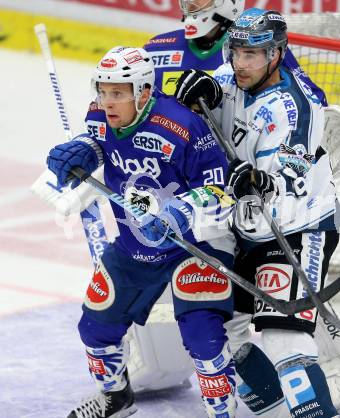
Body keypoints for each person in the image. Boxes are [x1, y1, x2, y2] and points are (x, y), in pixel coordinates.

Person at [46, 46, 238, 418]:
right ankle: (116, 400)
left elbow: (221, 189)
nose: (106, 102)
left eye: (117, 92)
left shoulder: (184, 125)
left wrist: (179, 212)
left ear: (144, 92)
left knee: (203, 336)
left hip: (193, 246)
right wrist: (82, 150)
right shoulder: (99, 116)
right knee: (94, 327)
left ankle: (222, 413)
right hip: (135, 245)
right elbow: (100, 143)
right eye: (102, 91)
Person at [175, 8, 340, 418]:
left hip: (296, 227)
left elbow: (287, 184)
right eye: (236, 52)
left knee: (284, 338)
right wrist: (195, 99)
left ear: (277, 53)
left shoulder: (297, 109)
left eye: (253, 55)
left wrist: (258, 181)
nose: (241, 63)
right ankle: (270, 406)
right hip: (241, 228)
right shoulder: (229, 77)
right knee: (214, 324)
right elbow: (208, 115)